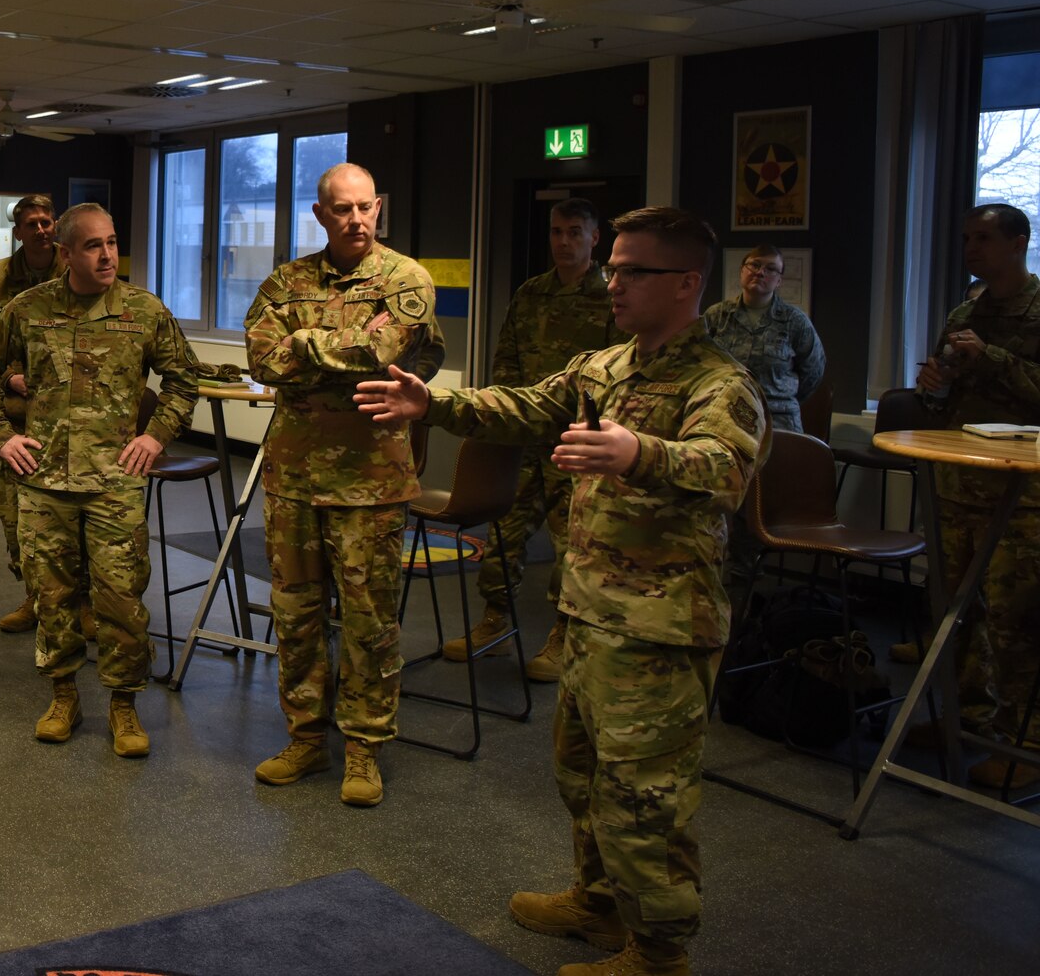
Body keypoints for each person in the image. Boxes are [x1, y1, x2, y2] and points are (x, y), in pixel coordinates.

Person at [358, 207, 765, 976]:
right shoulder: (604, 367)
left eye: (632, 270)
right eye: (612, 267)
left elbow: (726, 469)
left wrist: (636, 450)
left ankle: (660, 953)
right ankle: (602, 903)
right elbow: (521, 403)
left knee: (647, 795)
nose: (614, 282)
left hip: (661, 626)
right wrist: (432, 403)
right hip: (590, 609)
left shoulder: (720, 382)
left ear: (685, 283)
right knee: (583, 773)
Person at [244, 163, 444, 808]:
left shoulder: (405, 278)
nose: (354, 219)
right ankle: (306, 737)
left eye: (364, 207)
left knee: (368, 621)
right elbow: (259, 358)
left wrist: (303, 343)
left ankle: (363, 746)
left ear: (379, 206)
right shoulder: (287, 280)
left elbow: (383, 353)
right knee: (297, 616)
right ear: (320, 213)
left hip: (373, 481)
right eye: (340, 209)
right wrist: (339, 347)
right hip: (296, 480)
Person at [0, 203, 197, 757]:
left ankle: (123, 705)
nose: (108, 255)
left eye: (113, 242)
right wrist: (2, 436)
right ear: (65, 254)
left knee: (121, 599)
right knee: (53, 597)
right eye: (94, 246)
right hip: (45, 481)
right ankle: (63, 695)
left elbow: (184, 377)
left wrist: (156, 436)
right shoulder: (29, 307)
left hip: (115, 480)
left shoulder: (143, 310)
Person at [449, 198, 623, 683]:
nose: (563, 241)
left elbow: (617, 375)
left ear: (594, 238)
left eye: (574, 232)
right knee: (504, 533)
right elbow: (506, 362)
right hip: (526, 438)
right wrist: (507, 421)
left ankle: (564, 635)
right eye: (556, 231)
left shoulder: (610, 297)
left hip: (576, 443)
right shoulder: (531, 294)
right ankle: (493, 621)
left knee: (575, 544)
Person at [915, 202, 1040, 792]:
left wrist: (989, 357)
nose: (970, 249)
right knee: (956, 615)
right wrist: (934, 387)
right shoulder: (964, 312)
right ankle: (962, 724)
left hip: (1023, 495)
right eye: (966, 238)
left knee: (1018, 623)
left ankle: (1025, 746)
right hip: (959, 485)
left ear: (1018, 243)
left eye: (983, 238)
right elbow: (943, 405)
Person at [0, 194, 65, 632]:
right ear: (19, 232)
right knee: (16, 517)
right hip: (13, 420)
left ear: (56, 224)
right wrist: (10, 378)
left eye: (47, 222)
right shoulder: (0, 277)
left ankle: (76, 605)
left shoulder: (75, 267)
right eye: (32, 224)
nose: (41, 230)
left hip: (69, 420)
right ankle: (33, 598)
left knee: (69, 519)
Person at [701, 244, 826, 435]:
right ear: (742, 271)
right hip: (725, 415)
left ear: (779, 281)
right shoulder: (717, 316)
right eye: (755, 265)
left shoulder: (795, 321)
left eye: (770, 269)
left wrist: (783, 397)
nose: (760, 273)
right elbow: (699, 362)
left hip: (778, 420)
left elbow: (813, 372)